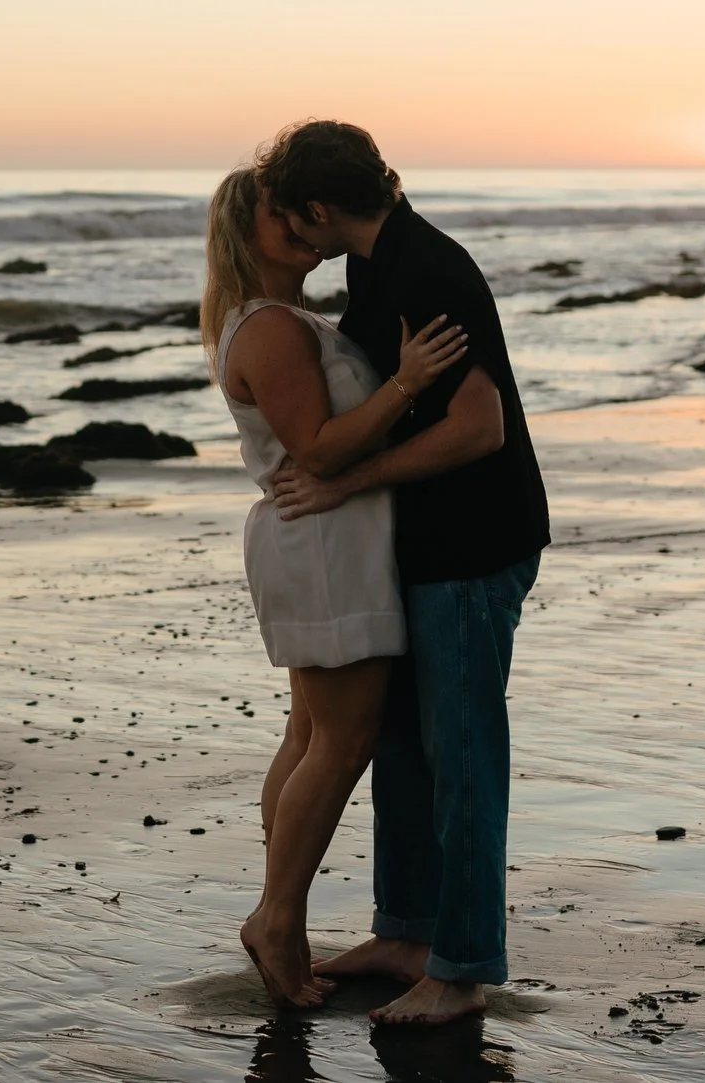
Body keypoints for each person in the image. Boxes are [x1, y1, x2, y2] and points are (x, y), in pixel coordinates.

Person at [258, 120, 551, 1026]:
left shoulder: (427, 269)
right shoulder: (376, 265)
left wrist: (347, 479)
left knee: (461, 757)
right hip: (422, 545)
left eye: (288, 214)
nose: (287, 230)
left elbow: (479, 426)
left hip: (474, 544)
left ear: (317, 208)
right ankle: (409, 931)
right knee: (405, 750)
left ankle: (461, 967)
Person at [200, 164, 471, 1008]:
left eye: (297, 210)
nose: (297, 223)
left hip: (322, 539)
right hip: (324, 541)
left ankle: (279, 914)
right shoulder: (270, 328)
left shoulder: (285, 319)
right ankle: (276, 918)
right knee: (341, 743)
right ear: (244, 231)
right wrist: (408, 381)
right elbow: (319, 448)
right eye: (277, 214)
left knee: (311, 734)